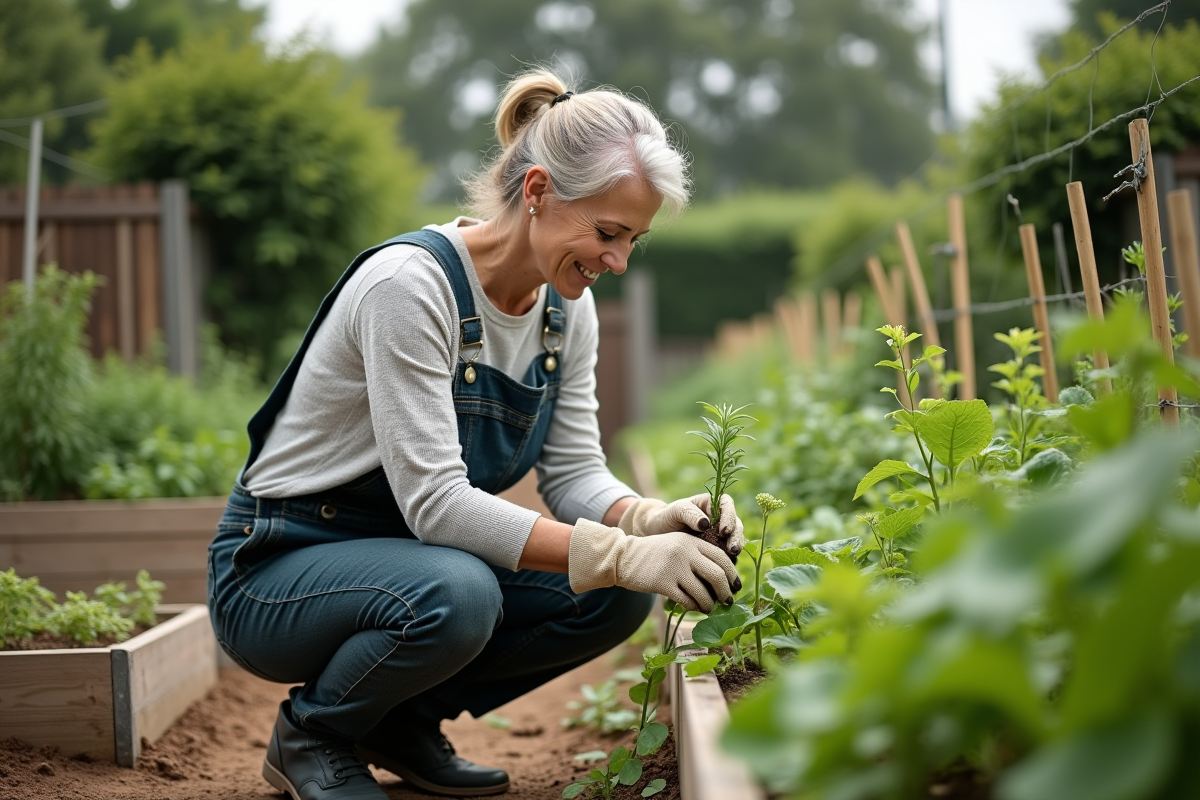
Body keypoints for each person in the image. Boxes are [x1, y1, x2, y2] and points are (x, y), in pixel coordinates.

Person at [207, 68, 745, 800]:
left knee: (613, 596)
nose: (617, 261)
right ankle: (313, 733)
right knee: (462, 592)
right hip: (280, 568)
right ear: (537, 193)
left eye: (634, 240)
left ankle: (395, 723)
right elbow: (438, 506)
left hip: (408, 564)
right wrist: (623, 552)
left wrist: (653, 520)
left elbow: (573, 474)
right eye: (609, 233)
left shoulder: (565, 309)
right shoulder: (411, 287)